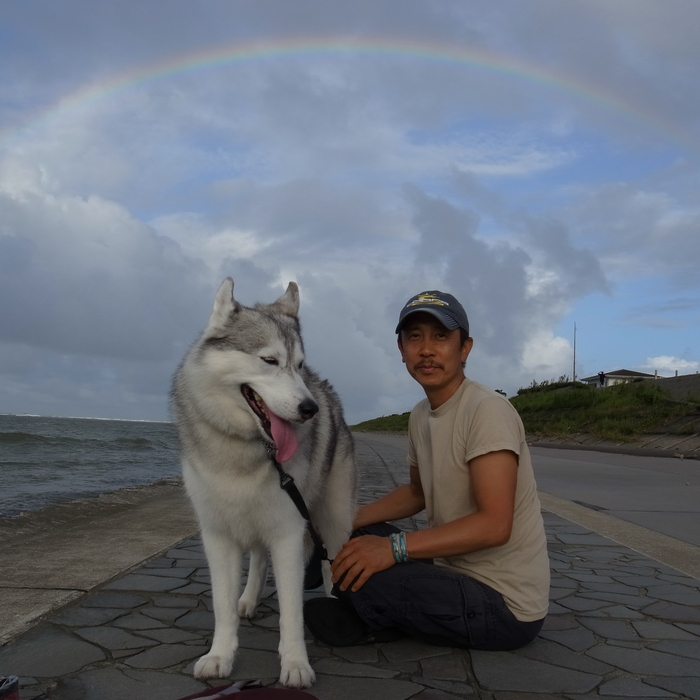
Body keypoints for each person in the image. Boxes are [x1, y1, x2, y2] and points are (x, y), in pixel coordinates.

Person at [304, 290, 550, 650]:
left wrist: (393, 549)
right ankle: (378, 610)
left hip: (503, 606)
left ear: (464, 348)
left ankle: (375, 618)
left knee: (369, 569)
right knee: (353, 538)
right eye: (414, 336)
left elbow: (495, 525)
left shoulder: (487, 410)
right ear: (401, 349)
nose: (427, 349)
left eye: (440, 337)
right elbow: (417, 492)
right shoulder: (421, 414)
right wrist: (343, 520)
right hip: (449, 574)